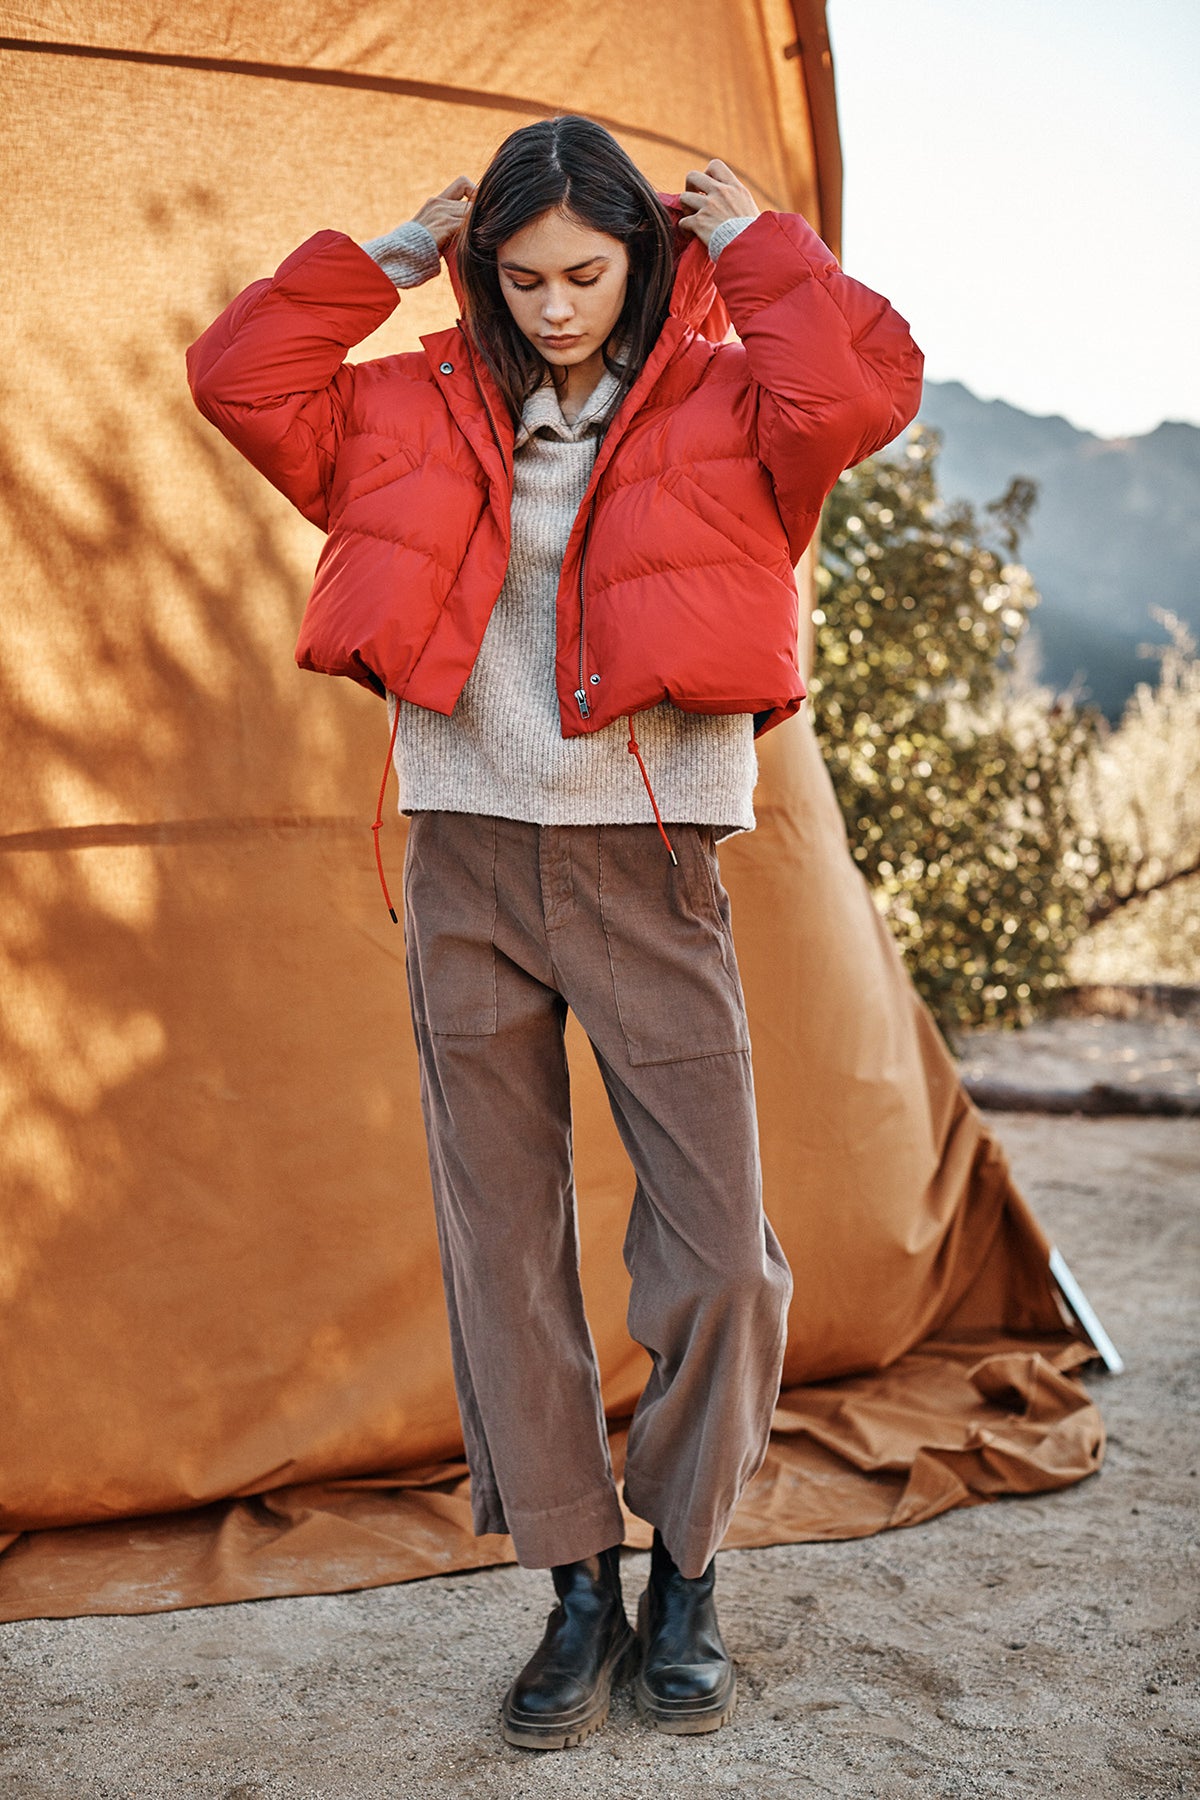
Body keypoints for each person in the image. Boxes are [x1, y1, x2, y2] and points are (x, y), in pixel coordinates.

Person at [187, 114, 923, 1751]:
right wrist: (377, 259)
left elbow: (856, 396)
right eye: (521, 279)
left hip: (648, 863)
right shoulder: (409, 401)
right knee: (501, 1242)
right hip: (467, 856)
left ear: (644, 260)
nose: (557, 306)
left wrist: (767, 250)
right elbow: (239, 381)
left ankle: (689, 1566)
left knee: (720, 1253)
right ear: (482, 272)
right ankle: (574, 1581)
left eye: (588, 273)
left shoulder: (737, 407)